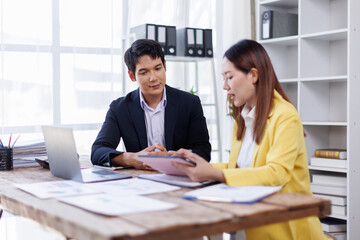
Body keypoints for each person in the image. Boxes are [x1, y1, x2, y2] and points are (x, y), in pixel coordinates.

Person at [173, 39, 326, 239]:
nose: (225, 86)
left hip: (285, 229)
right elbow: (239, 169)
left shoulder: (285, 116)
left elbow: (276, 174)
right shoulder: (242, 120)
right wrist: (196, 165)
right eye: (223, 78)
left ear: (253, 75)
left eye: (229, 77)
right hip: (250, 222)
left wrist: (215, 174)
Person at [91, 39, 211, 169]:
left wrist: (172, 158)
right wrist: (133, 158)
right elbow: (98, 151)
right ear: (132, 76)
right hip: (140, 181)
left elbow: (203, 151)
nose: (153, 78)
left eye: (158, 68)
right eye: (144, 72)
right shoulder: (120, 108)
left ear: (165, 66)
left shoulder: (189, 103)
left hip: (180, 177)